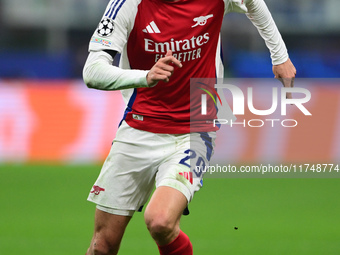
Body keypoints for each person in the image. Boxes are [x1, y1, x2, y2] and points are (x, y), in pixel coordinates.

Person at [82, 0, 296, 254]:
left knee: (160, 220)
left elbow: (252, 2)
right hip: (138, 126)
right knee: (102, 247)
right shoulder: (129, 4)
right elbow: (92, 71)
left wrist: (279, 56)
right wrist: (145, 76)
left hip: (196, 126)